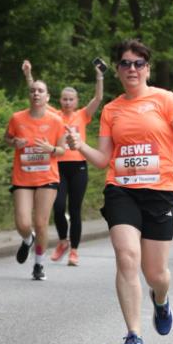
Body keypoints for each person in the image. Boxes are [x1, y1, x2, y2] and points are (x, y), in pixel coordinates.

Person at [64, 38, 173, 344]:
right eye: (125, 63)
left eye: (138, 63)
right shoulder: (112, 109)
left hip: (160, 191)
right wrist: (79, 145)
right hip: (121, 189)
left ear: (147, 68)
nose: (131, 69)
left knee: (156, 274)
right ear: (118, 70)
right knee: (126, 256)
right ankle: (133, 335)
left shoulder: (164, 100)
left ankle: (160, 301)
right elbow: (103, 159)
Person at [23, 60, 104, 266]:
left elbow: (98, 98)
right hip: (58, 166)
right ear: (60, 100)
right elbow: (36, 96)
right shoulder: (55, 115)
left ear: (76, 101)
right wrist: (29, 75)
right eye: (64, 99)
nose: (67, 102)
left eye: (71, 99)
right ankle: (62, 241)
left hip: (78, 167)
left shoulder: (82, 115)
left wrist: (99, 76)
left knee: (75, 209)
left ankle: (74, 250)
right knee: (58, 207)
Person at [6, 80, 67, 280]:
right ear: (29, 95)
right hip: (23, 176)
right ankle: (27, 238)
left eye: (40, 91)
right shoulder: (17, 118)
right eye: (32, 90)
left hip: (47, 177)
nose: (36, 93)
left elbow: (62, 150)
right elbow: (7, 138)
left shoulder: (56, 121)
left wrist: (50, 149)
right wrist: (15, 142)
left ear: (47, 97)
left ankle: (39, 264)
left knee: (41, 223)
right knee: (23, 222)